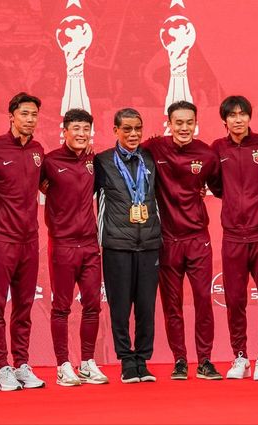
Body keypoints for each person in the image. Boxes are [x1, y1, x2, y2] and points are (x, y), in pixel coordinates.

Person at [141, 101, 223, 381]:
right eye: (179, 122)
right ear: (169, 124)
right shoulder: (154, 148)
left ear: (195, 124)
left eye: (189, 122)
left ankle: (205, 360)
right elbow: (126, 154)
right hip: (167, 240)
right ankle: (179, 360)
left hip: (198, 238)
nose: (184, 127)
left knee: (203, 300)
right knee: (172, 304)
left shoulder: (207, 155)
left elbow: (221, 187)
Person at [0, 92, 46, 390]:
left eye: (34, 115)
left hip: (29, 239)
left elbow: (49, 184)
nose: (30, 119)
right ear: (11, 116)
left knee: (24, 306)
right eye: (24, 114)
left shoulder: (38, 151)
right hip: (0, 239)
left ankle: (21, 364)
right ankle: (2, 366)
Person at [211, 95, 258, 381]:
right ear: (224, 120)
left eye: (243, 114)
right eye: (232, 115)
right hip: (233, 236)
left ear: (250, 117)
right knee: (234, 299)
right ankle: (240, 356)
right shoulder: (218, 149)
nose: (238, 119)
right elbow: (216, 186)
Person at [40, 109, 107, 386]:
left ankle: (88, 363)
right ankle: (63, 364)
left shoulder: (94, 160)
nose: (81, 134)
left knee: (92, 305)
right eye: (76, 129)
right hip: (63, 244)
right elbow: (22, 184)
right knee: (61, 307)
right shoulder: (49, 161)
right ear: (64, 131)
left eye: (85, 129)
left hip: (90, 244)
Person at [94, 108, 161, 383]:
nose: (133, 134)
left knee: (146, 307)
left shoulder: (151, 158)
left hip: (150, 243)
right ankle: (126, 361)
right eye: (127, 129)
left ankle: (142, 360)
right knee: (119, 307)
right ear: (115, 131)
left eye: (138, 129)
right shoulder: (102, 161)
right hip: (116, 245)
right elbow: (77, 189)